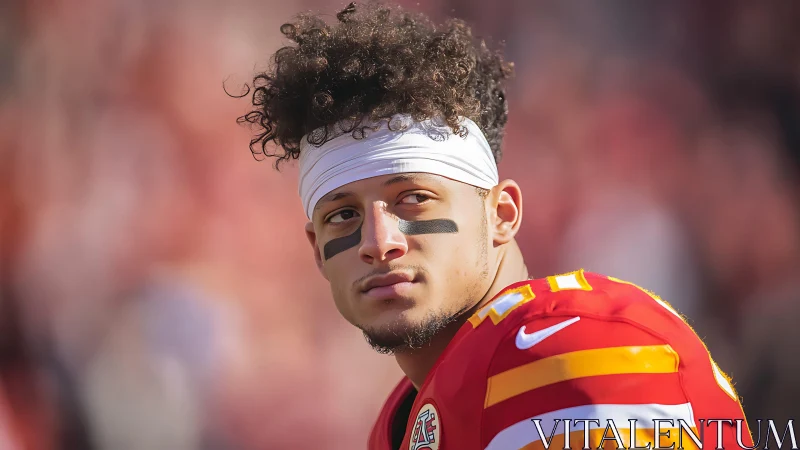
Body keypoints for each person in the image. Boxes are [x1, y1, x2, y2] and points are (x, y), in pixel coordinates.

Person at [239, 2, 753, 449]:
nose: (379, 242)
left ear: (501, 214)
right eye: (343, 214)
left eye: (413, 199)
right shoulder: (405, 416)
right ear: (316, 248)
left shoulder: (573, 350)